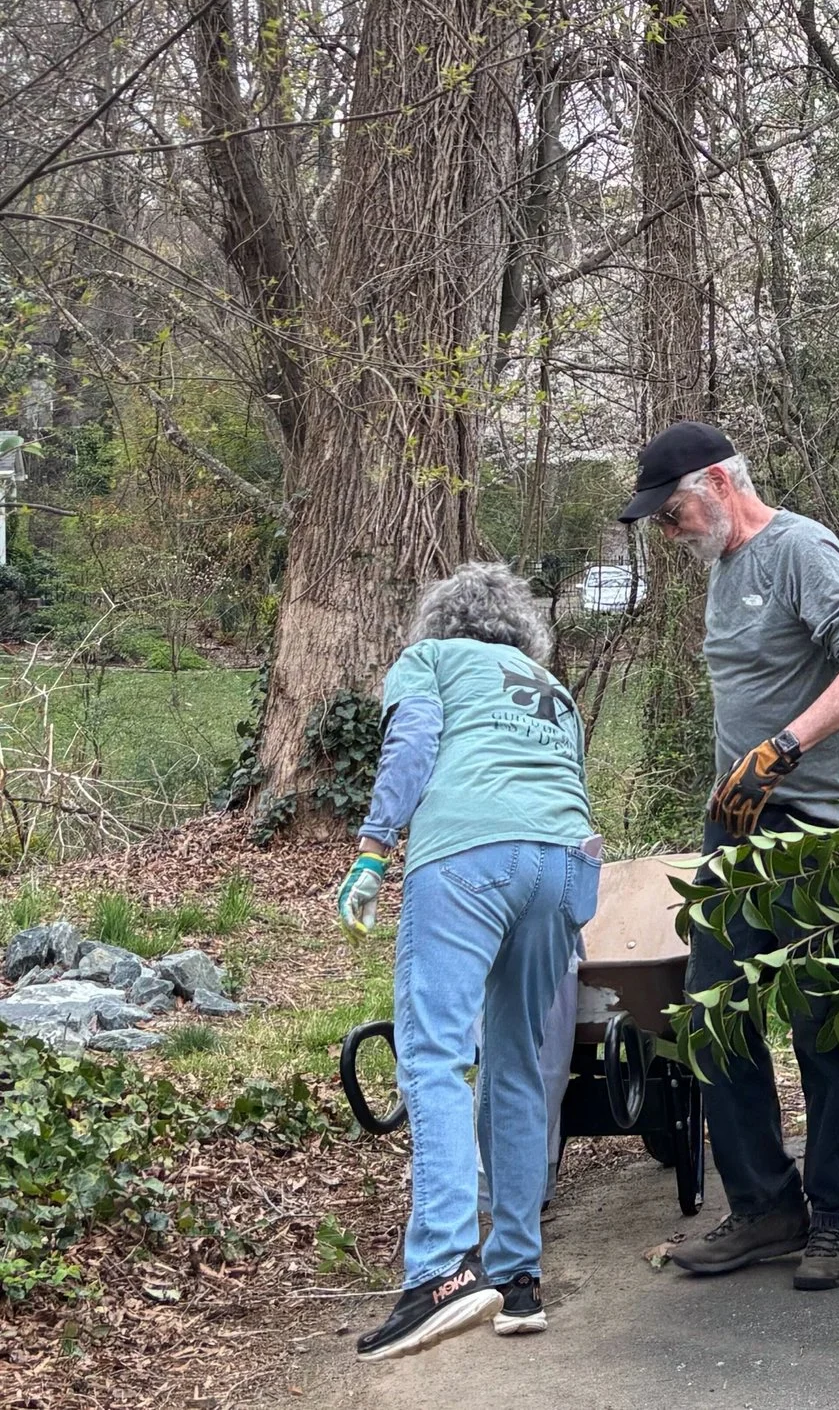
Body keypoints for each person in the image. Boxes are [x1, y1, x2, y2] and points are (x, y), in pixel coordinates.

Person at [618, 421, 839, 1290]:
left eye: (673, 513)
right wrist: (736, 783)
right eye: (661, 523)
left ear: (719, 481)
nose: (670, 533)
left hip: (822, 831)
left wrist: (782, 748)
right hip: (738, 831)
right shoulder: (724, 570)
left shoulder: (801, 548)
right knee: (713, 1013)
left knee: (825, 1023)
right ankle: (766, 1208)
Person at [336, 562, 601, 1359]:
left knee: (435, 1056)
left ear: (439, 622)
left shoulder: (431, 660)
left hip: (466, 857)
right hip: (563, 865)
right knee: (519, 1063)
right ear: (520, 630)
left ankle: (442, 1269)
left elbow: (414, 743)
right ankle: (516, 1274)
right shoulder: (555, 690)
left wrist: (374, 848)